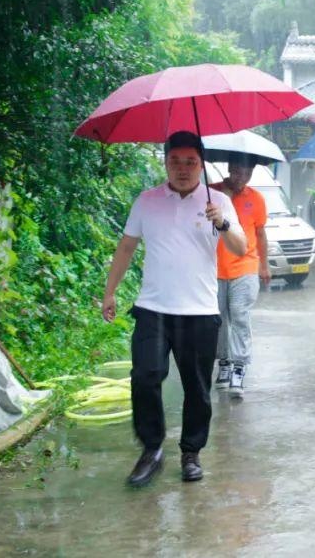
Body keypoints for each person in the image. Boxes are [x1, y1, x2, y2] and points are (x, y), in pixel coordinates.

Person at [102, 131, 246, 486]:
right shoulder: (147, 201)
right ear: (165, 162)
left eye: (190, 162)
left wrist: (222, 223)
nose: (182, 169)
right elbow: (126, 247)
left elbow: (241, 248)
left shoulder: (219, 202)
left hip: (199, 311)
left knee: (197, 387)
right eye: (175, 162)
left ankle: (191, 452)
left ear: (201, 164)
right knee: (145, 376)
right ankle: (151, 449)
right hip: (153, 308)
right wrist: (110, 292)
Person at [210, 153, 270, 398]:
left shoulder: (256, 198)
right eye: (237, 171)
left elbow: (261, 234)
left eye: (247, 173)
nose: (241, 177)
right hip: (214, 267)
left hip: (245, 266)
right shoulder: (211, 193)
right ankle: (223, 362)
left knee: (239, 315)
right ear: (229, 167)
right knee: (219, 318)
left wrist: (264, 266)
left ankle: (239, 366)